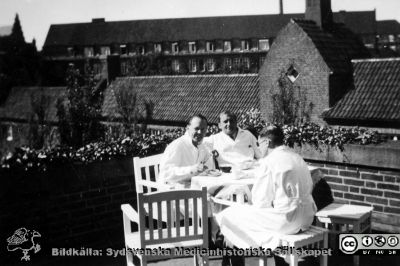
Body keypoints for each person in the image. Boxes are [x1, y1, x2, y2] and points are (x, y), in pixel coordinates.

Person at [215, 125, 317, 265]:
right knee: (239, 216)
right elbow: (309, 187)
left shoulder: (269, 162)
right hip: (307, 217)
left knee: (229, 215)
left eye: (259, 144)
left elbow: (261, 201)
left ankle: (231, 260)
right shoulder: (298, 157)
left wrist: (248, 194)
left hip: (287, 221)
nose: (258, 149)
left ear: (267, 142)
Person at [159, 114, 212, 188]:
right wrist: (191, 170)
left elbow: (208, 167)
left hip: (193, 186)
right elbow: (166, 173)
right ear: (188, 128)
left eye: (203, 129)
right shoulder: (177, 145)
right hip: (173, 190)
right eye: (196, 128)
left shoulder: (202, 146)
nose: (200, 132)